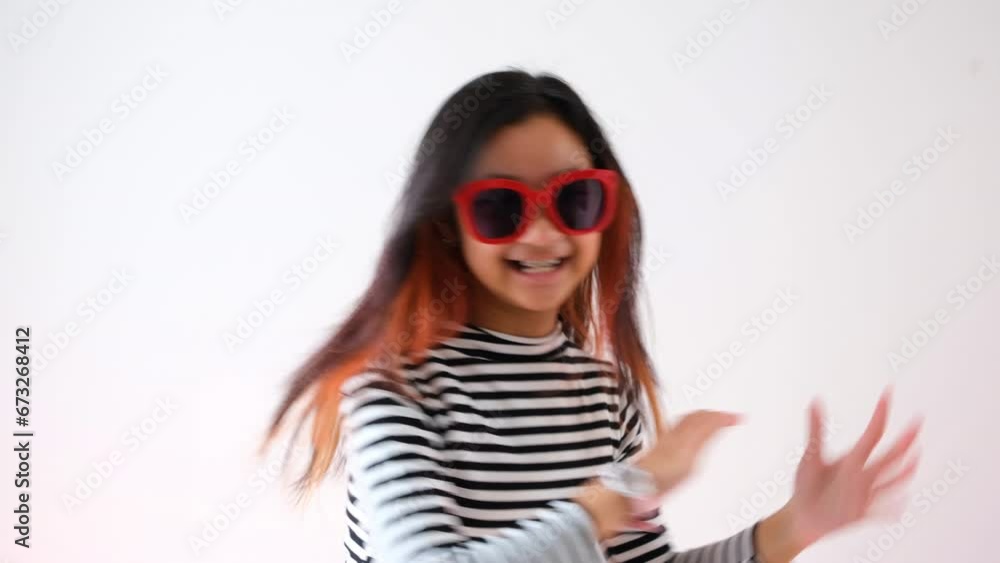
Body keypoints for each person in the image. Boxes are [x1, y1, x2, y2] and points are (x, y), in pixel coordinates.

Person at [261, 69, 923, 562]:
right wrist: (624, 491)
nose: (545, 236)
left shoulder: (604, 393)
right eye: (501, 206)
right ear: (446, 224)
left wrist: (793, 527)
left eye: (574, 198)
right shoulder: (390, 390)